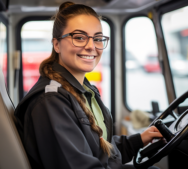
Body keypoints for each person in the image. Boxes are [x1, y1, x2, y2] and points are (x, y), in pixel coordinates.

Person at [14, 1, 162, 169]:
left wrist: (138, 140)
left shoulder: (84, 89)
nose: (91, 46)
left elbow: (97, 148)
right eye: (79, 37)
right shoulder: (51, 101)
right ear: (57, 44)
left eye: (98, 38)